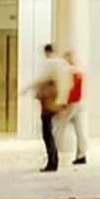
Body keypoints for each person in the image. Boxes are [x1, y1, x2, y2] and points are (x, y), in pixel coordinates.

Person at [26, 44, 71, 173]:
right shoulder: (63, 64)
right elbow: (68, 84)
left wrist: (27, 88)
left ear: (47, 52)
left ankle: (52, 162)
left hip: (49, 102)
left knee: (47, 133)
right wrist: (63, 102)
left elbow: (42, 79)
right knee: (53, 132)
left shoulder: (50, 63)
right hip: (59, 101)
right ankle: (53, 160)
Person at [62, 51, 88, 165]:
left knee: (57, 128)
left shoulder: (69, 72)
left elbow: (69, 89)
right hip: (78, 103)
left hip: (71, 104)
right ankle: (82, 155)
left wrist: (64, 104)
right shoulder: (79, 71)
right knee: (80, 131)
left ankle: (52, 154)